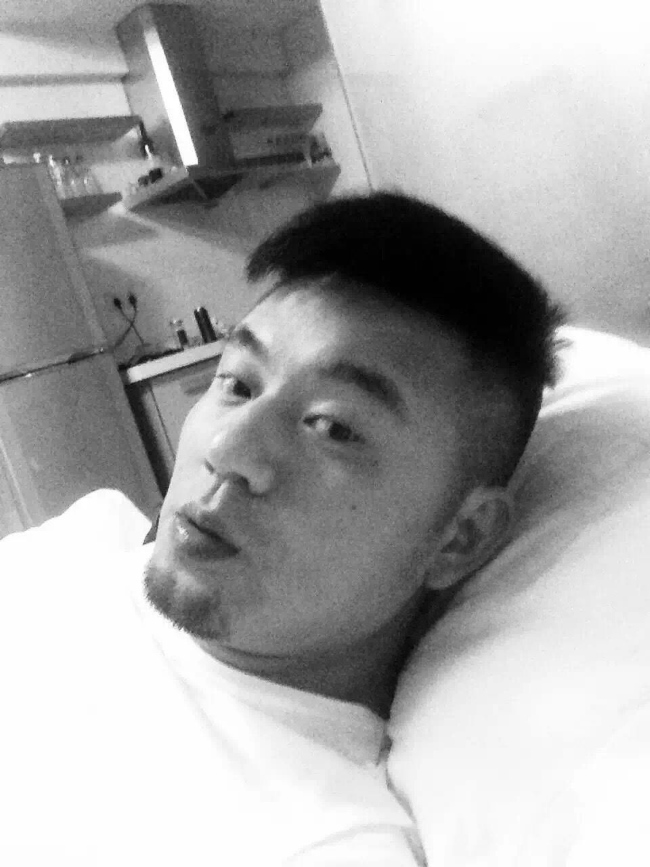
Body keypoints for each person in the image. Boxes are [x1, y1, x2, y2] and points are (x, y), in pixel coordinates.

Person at [0, 191, 564, 866]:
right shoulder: (87, 540)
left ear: (460, 537)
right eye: (238, 383)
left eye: (333, 427)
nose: (227, 448)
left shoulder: (316, 841)